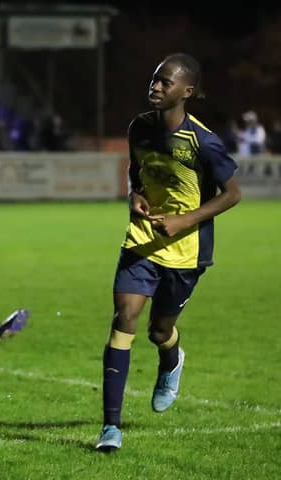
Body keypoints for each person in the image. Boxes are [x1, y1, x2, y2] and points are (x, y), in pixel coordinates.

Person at [95, 53, 241, 452]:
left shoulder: (203, 143)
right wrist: (133, 197)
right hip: (141, 241)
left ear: (187, 92)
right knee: (124, 318)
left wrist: (186, 219)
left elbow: (233, 195)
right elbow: (135, 175)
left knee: (159, 330)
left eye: (165, 82)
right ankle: (110, 428)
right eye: (154, 79)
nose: (155, 87)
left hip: (185, 251)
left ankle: (171, 358)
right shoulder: (139, 128)